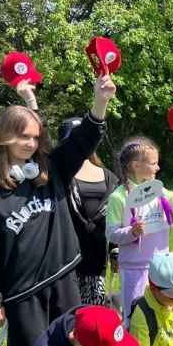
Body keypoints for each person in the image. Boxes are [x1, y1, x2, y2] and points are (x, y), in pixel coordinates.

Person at [0, 74, 115, 346]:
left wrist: (100, 101)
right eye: (22, 137)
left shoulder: (51, 170)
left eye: (35, 138)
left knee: (73, 342)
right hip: (22, 290)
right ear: (4, 136)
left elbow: (82, 141)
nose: (30, 144)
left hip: (64, 278)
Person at [105, 137, 173, 326]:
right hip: (134, 269)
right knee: (136, 315)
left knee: (161, 315)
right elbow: (111, 233)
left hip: (161, 268)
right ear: (136, 165)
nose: (157, 168)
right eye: (153, 163)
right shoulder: (119, 197)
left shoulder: (159, 191)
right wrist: (132, 232)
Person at [57, 118, 118, 305]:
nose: (79, 147)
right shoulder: (58, 176)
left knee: (94, 316)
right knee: (68, 316)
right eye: (73, 142)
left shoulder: (110, 178)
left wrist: (114, 250)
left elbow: (116, 217)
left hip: (96, 258)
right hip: (65, 259)